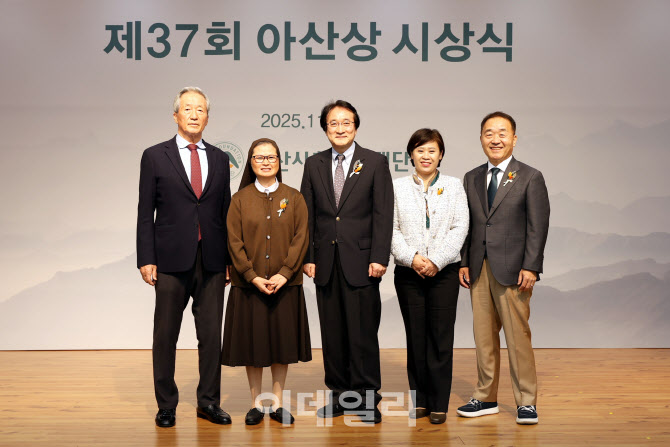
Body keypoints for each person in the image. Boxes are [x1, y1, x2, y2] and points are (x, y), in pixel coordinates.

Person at [136, 87, 232, 427]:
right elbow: (145, 211)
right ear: (176, 115)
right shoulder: (154, 155)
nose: (194, 114)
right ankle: (166, 405)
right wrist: (146, 257)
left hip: (212, 260)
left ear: (208, 117)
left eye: (200, 109)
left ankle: (208, 402)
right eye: (188, 108)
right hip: (170, 260)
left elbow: (225, 212)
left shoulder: (219, 158)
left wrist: (230, 260)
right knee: (165, 335)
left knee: (211, 337)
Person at [300, 100, 394, 424]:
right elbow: (307, 215)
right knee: (333, 334)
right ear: (325, 128)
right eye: (333, 123)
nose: (340, 129)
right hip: (325, 263)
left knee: (362, 334)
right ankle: (340, 397)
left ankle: (367, 400)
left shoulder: (375, 162)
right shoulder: (313, 164)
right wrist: (308, 257)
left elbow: (383, 213)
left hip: (363, 262)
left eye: (346, 123)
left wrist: (379, 256)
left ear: (355, 126)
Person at [457, 111, 550, 425]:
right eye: (489, 133)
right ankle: (485, 397)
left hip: (514, 271)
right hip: (478, 269)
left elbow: (538, 226)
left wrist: (531, 267)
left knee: (517, 338)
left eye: (502, 133)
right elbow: (468, 225)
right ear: (481, 138)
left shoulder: (530, 177)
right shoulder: (471, 177)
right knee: (483, 338)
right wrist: (464, 261)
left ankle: (527, 401)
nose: (495, 139)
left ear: (514, 139)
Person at [222, 138, 311, 426]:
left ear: (279, 161)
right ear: (250, 162)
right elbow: (234, 241)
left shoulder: (294, 197)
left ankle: (277, 403)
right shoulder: (239, 199)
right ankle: (256, 404)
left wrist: (285, 272)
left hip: (286, 285)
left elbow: (301, 238)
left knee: (281, 346)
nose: (265, 162)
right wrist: (251, 275)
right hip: (250, 286)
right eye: (259, 157)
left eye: (271, 157)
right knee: (254, 346)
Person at [390, 128, 469, 424]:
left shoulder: (454, 185)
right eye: (420, 150)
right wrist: (412, 258)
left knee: (440, 338)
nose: (426, 156)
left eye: (432, 150)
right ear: (411, 154)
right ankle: (420, 400)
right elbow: (390, 229)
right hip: (408, 273)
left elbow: (460, 227)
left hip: (444, 272)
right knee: (416, 338)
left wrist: (436, 260)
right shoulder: (396, 187)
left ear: (441, 155)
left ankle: (439, 403)